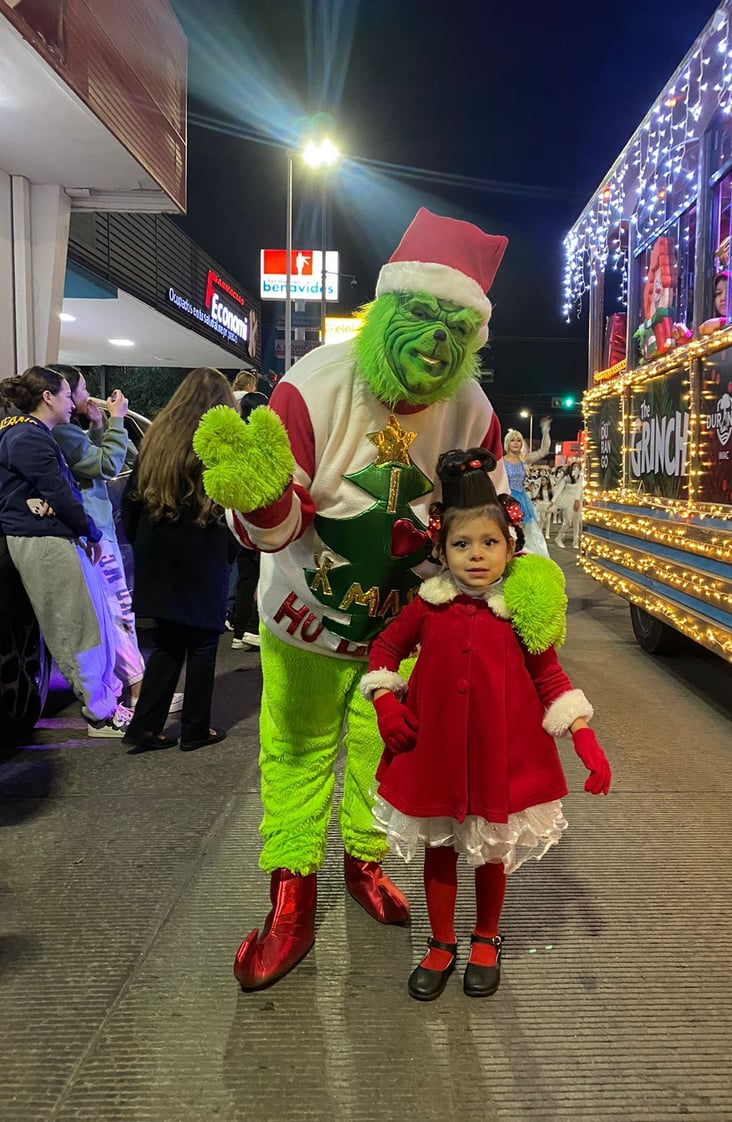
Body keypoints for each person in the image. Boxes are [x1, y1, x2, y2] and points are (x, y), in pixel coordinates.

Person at [192, 207, 553, 992]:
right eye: (421, 316)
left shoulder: (473, 413)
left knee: (385, 756)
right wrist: (256, 500)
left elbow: (487, 533)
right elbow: (279, 528)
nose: (434, 342)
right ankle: (290, 893)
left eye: (455, 330)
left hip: (405, 635)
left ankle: (362, 862)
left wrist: (526, 594)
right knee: (294, 753)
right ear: (385, 311)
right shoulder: (311, 389)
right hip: (305, 622)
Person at [360, 449, 611, 1001]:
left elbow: (549, 676)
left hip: (500, 752)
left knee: (491, 848)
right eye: (462, 544)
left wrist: (583, 735)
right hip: (437, 753)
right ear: (441, 550)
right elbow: (384, 648)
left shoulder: (520, 611)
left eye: (489, 543)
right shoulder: (427, 606)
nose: (476, 556)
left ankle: (486, 937)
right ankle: (443, 941)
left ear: (511, 546)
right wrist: (385, 702)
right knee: (441, 847)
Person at [0, 367, 131, 736]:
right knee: (77, 630)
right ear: (48, 398)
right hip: (45, 540)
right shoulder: (27, 436)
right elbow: (60, 493)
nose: (75, 399)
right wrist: (88, 531)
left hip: (48, 536)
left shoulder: (23, 432)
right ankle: (101, 714)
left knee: (85, 624)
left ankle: (106, 704)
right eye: (69, 393)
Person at [49, 365, 183, 716]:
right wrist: (118, 420)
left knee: (117, 609)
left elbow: (95, 460)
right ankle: (139, 691)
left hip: (98, 529)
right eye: (76, 390)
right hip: (93, 532)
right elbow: (107, 465)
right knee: (117, 610)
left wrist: (98, 425)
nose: (82, 395)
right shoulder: (61, 432)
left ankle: (130, 689)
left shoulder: (69, 432)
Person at [122, 367, 239, 752]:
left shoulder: (158, 437)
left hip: (158, 549)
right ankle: (194, 728)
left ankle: (144, 727)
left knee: (168, 641)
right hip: (203, 550)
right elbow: (234, 505)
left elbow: (131, 501)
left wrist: (141, 544)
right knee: (204, 640)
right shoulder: (222, 443)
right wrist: (231, 553)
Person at [230, 391, 268, 651]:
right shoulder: (258, 442)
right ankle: (250, 628)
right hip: (255, 516)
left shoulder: (234, 440)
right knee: (257, 576)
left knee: (246, 576)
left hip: (235, 518)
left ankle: (239, 628)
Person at [502, 419, 552, 557]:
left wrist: (545, 430)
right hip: (506, 499)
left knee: (521, 534)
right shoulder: (501, 462)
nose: (516, 443)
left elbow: (544, 450)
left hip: (521, 500)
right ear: (507, 443)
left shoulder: (524, 459)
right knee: (507, 533)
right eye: (513, 440)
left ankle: (519, 559)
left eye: (518, 440)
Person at [554, 461, 584, 549]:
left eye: (577, 467)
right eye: (574, 466)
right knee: (568, 521)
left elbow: (580, 489)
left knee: (576, 522)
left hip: (577, 501)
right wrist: (553, 501)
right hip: (567, 501)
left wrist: (578, 500)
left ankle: (575, 542)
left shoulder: (581, 478)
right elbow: (559, 490)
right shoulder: (566, 478)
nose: (576, 468)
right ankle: (558, 537)